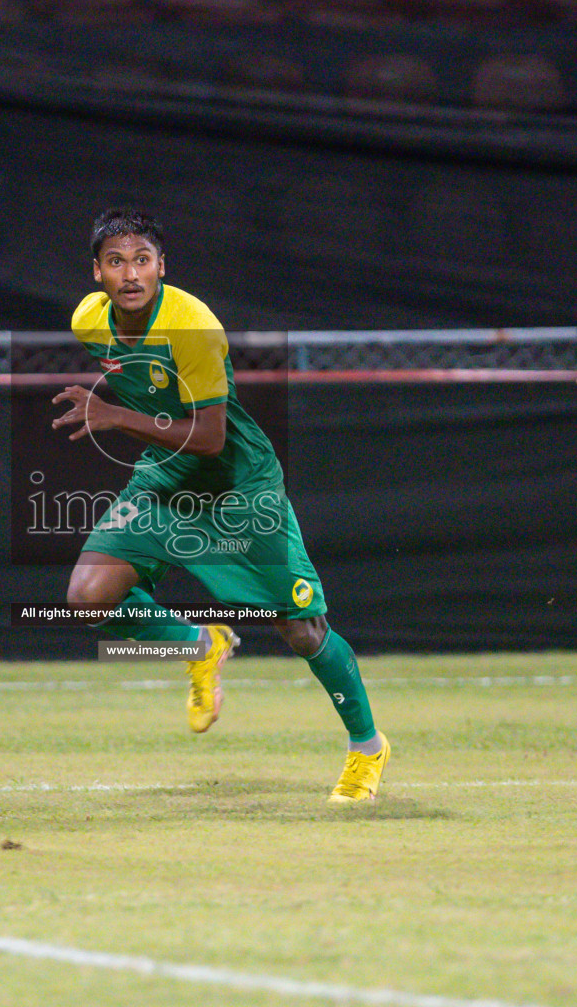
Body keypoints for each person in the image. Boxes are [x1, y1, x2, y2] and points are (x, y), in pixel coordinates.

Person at [50, 208, 389, 803]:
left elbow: (209, 437)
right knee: (85, 601)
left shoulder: (192, 327)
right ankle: (201, 644)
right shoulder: (89, 321)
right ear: (96, 273)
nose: (130, 273)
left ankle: (367, 747)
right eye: (115, 261)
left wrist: (113, 415)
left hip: (236, 483)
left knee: (302, 630)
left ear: (162, 267)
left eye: (142, 260)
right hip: (163, 479)